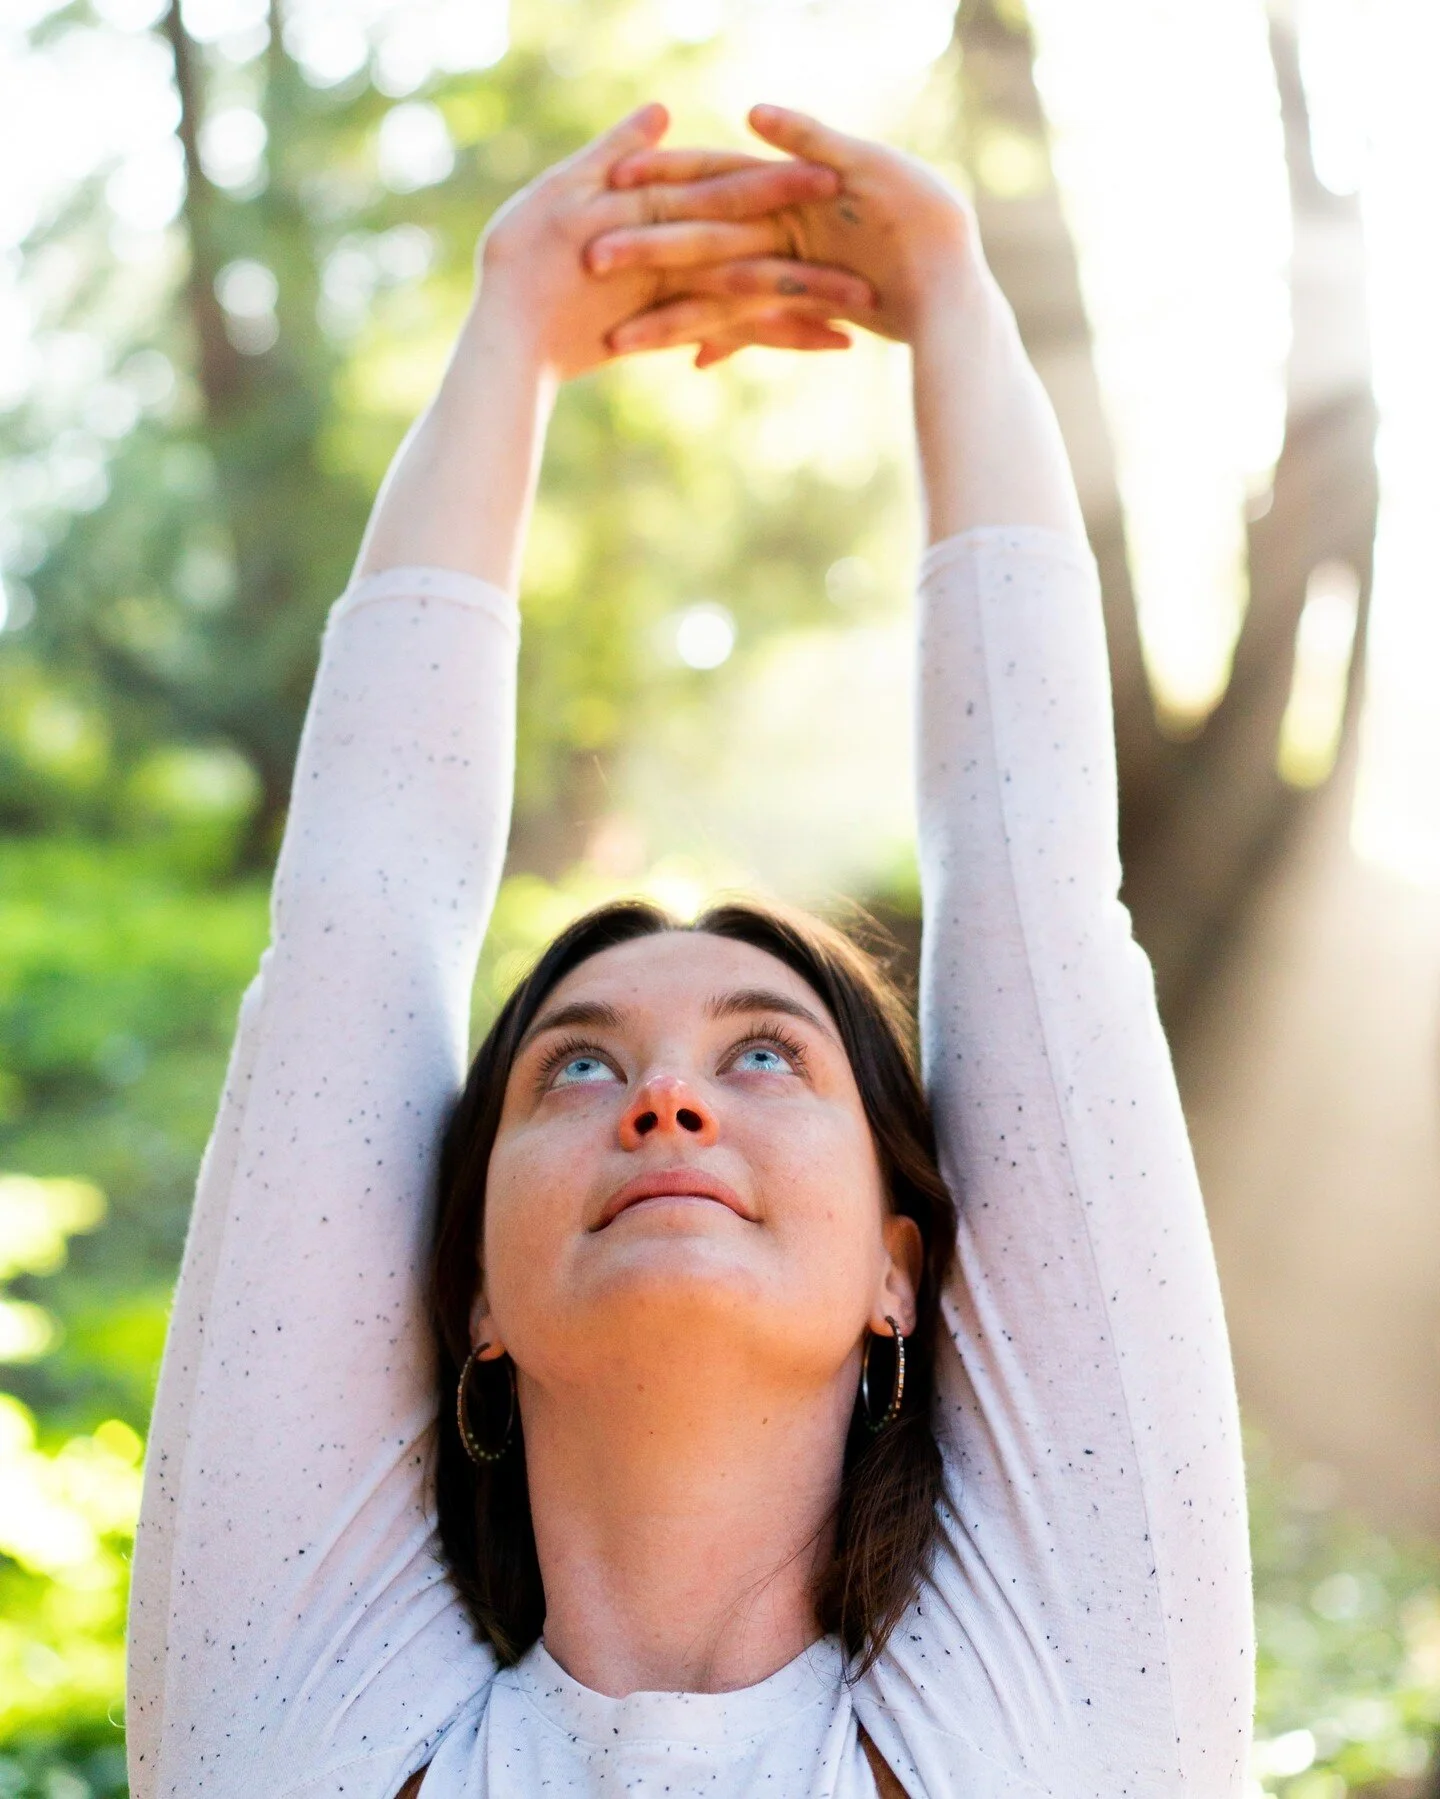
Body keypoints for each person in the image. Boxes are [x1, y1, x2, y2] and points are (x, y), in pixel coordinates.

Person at [125, 100, 1254, 1798]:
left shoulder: (1078, 1723)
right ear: (477, 1291)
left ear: (898, 1265)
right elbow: (356, 916)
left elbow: (1036, 885)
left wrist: (954, 296)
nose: (663, 1100)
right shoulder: (289, 1737)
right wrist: (507, 325)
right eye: (574, 1063)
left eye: (765, 1053)